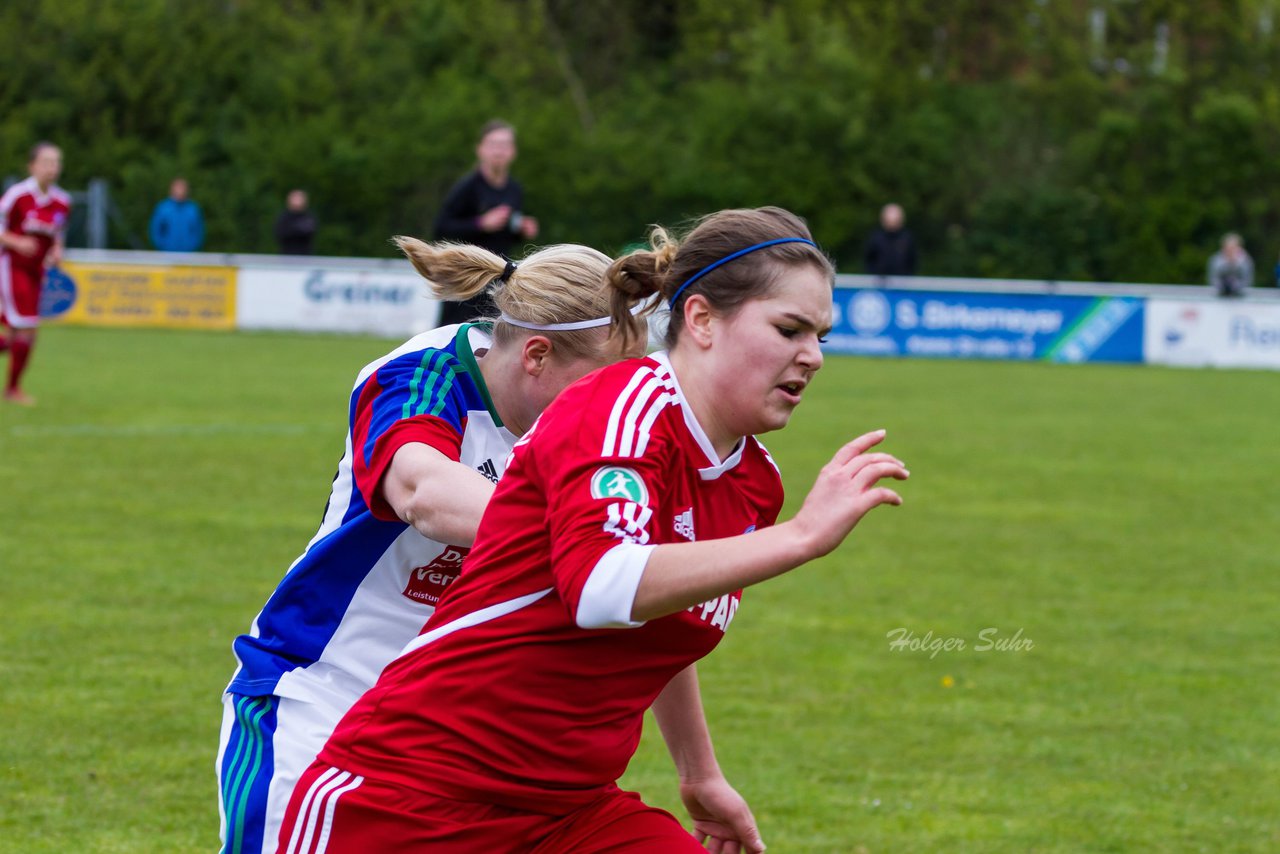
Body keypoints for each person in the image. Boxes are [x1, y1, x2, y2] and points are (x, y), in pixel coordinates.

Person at [277, 206, 910, 853]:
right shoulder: (622, 406)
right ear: (700, 320)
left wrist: (700, 774)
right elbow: (604, 586)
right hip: (417, 797)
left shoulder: (753, 481)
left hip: (567, 813)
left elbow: (654, 621)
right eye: (789, 328)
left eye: (821, 337)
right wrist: (802, 537)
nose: (812, 356)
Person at [216, 237, 648, 854]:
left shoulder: (600, 426)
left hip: (458, 728)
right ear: (536, 355)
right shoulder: (422, 375)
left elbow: (636, 605)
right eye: (601, 384)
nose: (613, 407)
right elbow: (423, 491)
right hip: (322, 693)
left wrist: (699, 770)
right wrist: (587, 537)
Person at [433, 119, 539, 325]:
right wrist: (480, 223)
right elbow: (441, 229)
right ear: (480, 149)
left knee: (492, 338)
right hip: (465, 277)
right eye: (493, 144)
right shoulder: (468, 187)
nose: (499, 151)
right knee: (455, 337)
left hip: (497, 278)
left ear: (513, 152)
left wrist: (522, 230)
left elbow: (504, 234)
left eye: (505, 145)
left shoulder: (514, 189)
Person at [0, 142, 71, 405]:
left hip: (35, 273)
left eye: (57, 162)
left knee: (16, 337)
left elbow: (57, 234)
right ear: (32, 166)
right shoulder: (17, 196)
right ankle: (12, 390)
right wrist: (17, 242)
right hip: (11, 268)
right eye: (47, 162)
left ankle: (12, 389)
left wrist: (56, 250)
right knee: (27, 330)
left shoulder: (62, 202)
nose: (53, 167)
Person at [148, 176, 205, 252]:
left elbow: (199, 230)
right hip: (167, 253)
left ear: (187, 190)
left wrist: (193, 246)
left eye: (182, 188)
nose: (180, 191)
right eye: (178, 188)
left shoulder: (193, 208)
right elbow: (155, 229)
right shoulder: (163, 208)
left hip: (189, 254)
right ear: (172, 189)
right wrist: (162, 246)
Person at [863, 202, 917, 277]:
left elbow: (913, 261)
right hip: (879, 283)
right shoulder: (876, 237)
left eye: (895, 221)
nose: (892, 224)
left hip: (903, 282)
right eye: (889, 221)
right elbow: (869, 259)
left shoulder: (907, 238)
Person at [1207, 232, 1253, 297]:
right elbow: (1213, 278)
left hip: (1240, 295)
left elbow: (1247, 279)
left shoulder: (1245, 260)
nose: (1230, 251)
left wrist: (1236, 263)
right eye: (1228, 248)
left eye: (1233, 248)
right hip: (1220, 294)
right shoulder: (1216, 260)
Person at [274, 189, 317, 255]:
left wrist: (292, 228)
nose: (296, 201)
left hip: (305, 256)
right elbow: (280, 233)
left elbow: (310, 232)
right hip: (286, 256)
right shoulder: (284, 217)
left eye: (299, 198)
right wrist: (299, 229)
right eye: (295, 198)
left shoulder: (308, 216)